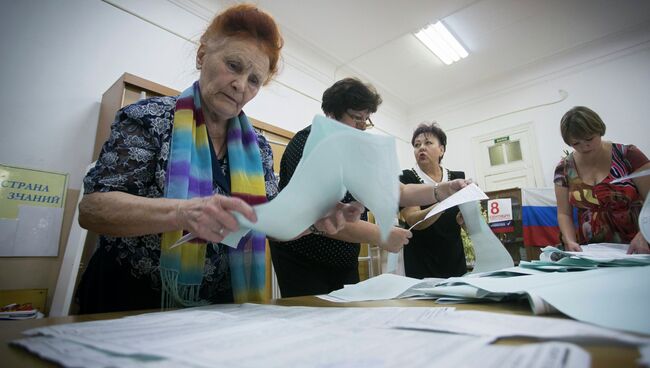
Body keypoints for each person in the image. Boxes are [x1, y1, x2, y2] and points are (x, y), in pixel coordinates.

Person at [76, 4, 361, 314]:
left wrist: (315, 221)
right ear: (202, 56)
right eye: (233, 65)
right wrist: (183, 212)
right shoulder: (148, 119)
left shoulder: (259, 149)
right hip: (128, 300)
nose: (241, 85)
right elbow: (92, 210)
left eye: (254, 80)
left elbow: (272, 219)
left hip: (220, 307)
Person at [269, 78, 469, 297]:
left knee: (348, 318)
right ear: (333, 114)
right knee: (312, 321)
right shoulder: (308, 143)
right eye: (357, 118)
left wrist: (442, 190)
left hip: (344, 257)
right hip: (303, 257)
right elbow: (321, 214)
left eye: (367, 119)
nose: (363, 125)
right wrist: (380, 235)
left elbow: (398, 191)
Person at [554, 106, 650, 254]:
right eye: (576, 143)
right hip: (593, 252)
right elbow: (564, 213)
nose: (584, 146)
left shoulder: (629, 155)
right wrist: (570, 241)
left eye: (589, 139)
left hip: (638, 246)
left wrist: (644, 234)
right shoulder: (564, 169)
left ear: (599, 129)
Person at [399, 123, 467, 278]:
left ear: (441, 149)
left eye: (428, 143)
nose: (421, 148)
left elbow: (469, 225)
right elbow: (414, 221)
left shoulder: (457, 177)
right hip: (421, 260)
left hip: (454, 257)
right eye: (417, 145)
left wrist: (467, 219)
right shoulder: (406, 178)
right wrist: (446, 198)